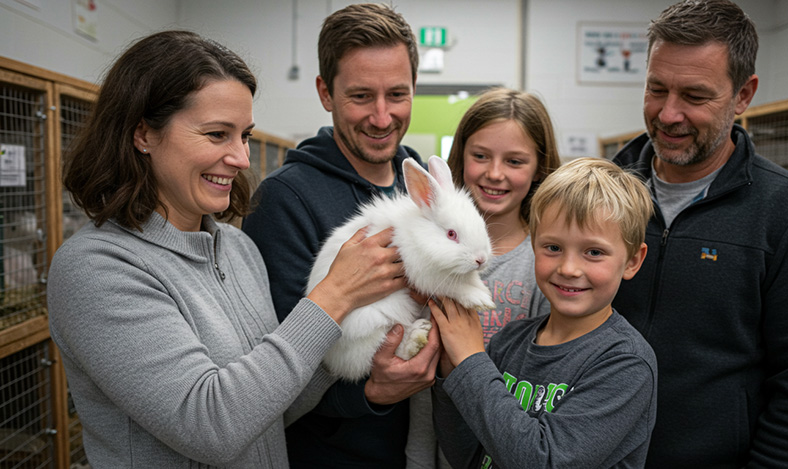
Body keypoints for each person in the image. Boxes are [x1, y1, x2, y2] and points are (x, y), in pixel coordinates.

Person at [47, 30, 409, 468]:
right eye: (218, 134)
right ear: (143, 133)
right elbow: (211, 427)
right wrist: (336, 296)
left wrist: (366, 349)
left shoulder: (237, 249)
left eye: (245, 136)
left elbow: (273, 408)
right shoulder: (98, 268)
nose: (240, 157)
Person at [611, 0, 788, 467]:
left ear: (743, 95)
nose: (669, 114)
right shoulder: (603, 189)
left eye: (695, 97)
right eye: (657, 89)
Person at [242, 4, 440, 468]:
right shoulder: (284, 200)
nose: (381, 116)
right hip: (332, 453)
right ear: (325, 93)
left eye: (397, 94)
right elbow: (279, 366)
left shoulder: (420, 188)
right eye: (360, 96)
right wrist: (369, 394)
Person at [430, 157, 658, 468]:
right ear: (533, 245)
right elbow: (465, 454)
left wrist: (470, 362)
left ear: (632, 261)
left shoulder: (626, 363)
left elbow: (545, 461)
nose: (568, 269)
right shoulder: (510, 340)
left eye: (594, 252)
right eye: (552, 248)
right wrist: (450, 368)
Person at [445, 88, 561, 344]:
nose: (495, 174)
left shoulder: (547, 260)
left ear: (540, 167)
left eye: (515, 162)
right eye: (481, 156)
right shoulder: (431, 242)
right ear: (461, 156)